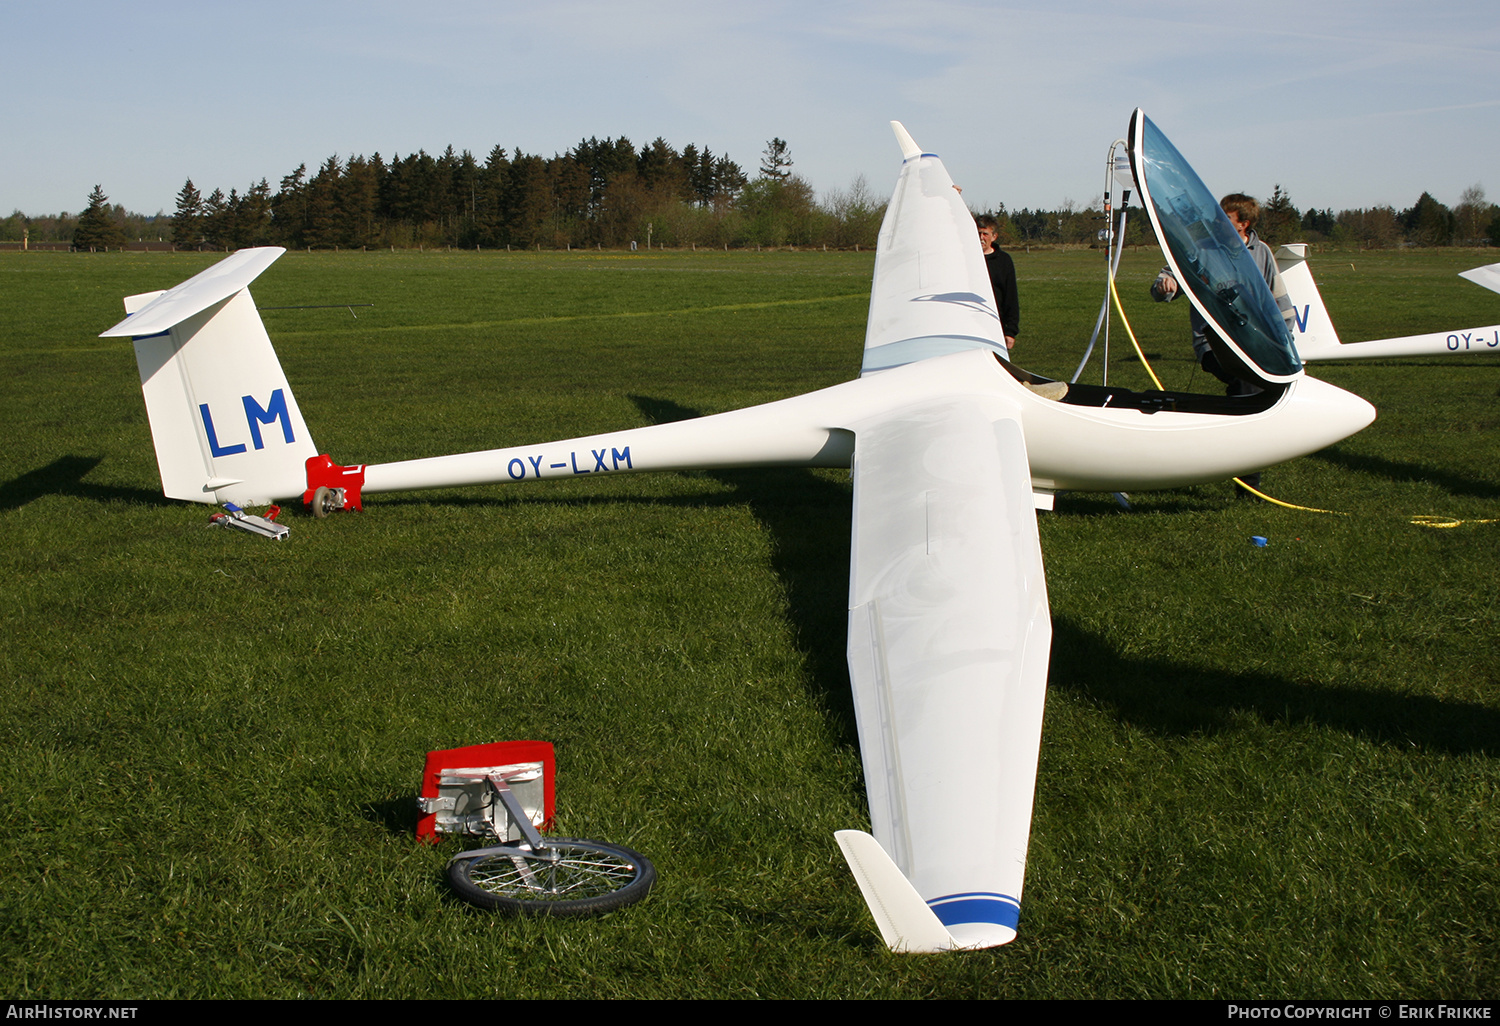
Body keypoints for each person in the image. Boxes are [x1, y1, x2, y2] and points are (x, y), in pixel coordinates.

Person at [1151, 194, 1292, 496]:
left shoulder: (1262, 253)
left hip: (1254, 345)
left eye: (1226, 218)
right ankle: (1248, 485)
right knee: (1245, 387)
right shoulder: (1198, 250)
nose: (1217, 222)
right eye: (1217, 215)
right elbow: (1164, 283)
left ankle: (1216, 458)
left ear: (1244, 223)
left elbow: (1279, 301)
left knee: (1253, 396)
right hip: (1213, 345)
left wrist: (1285, 342)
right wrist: (1166, 286)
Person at [976, 214, 1019, 350]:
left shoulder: (1004, 261)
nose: (981, 238)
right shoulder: (967, 258)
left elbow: (1011, 297)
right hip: (973, 323)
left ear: (994, 237)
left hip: (996, 324)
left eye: (985, 234)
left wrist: (1010, 331)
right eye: (978, 233)